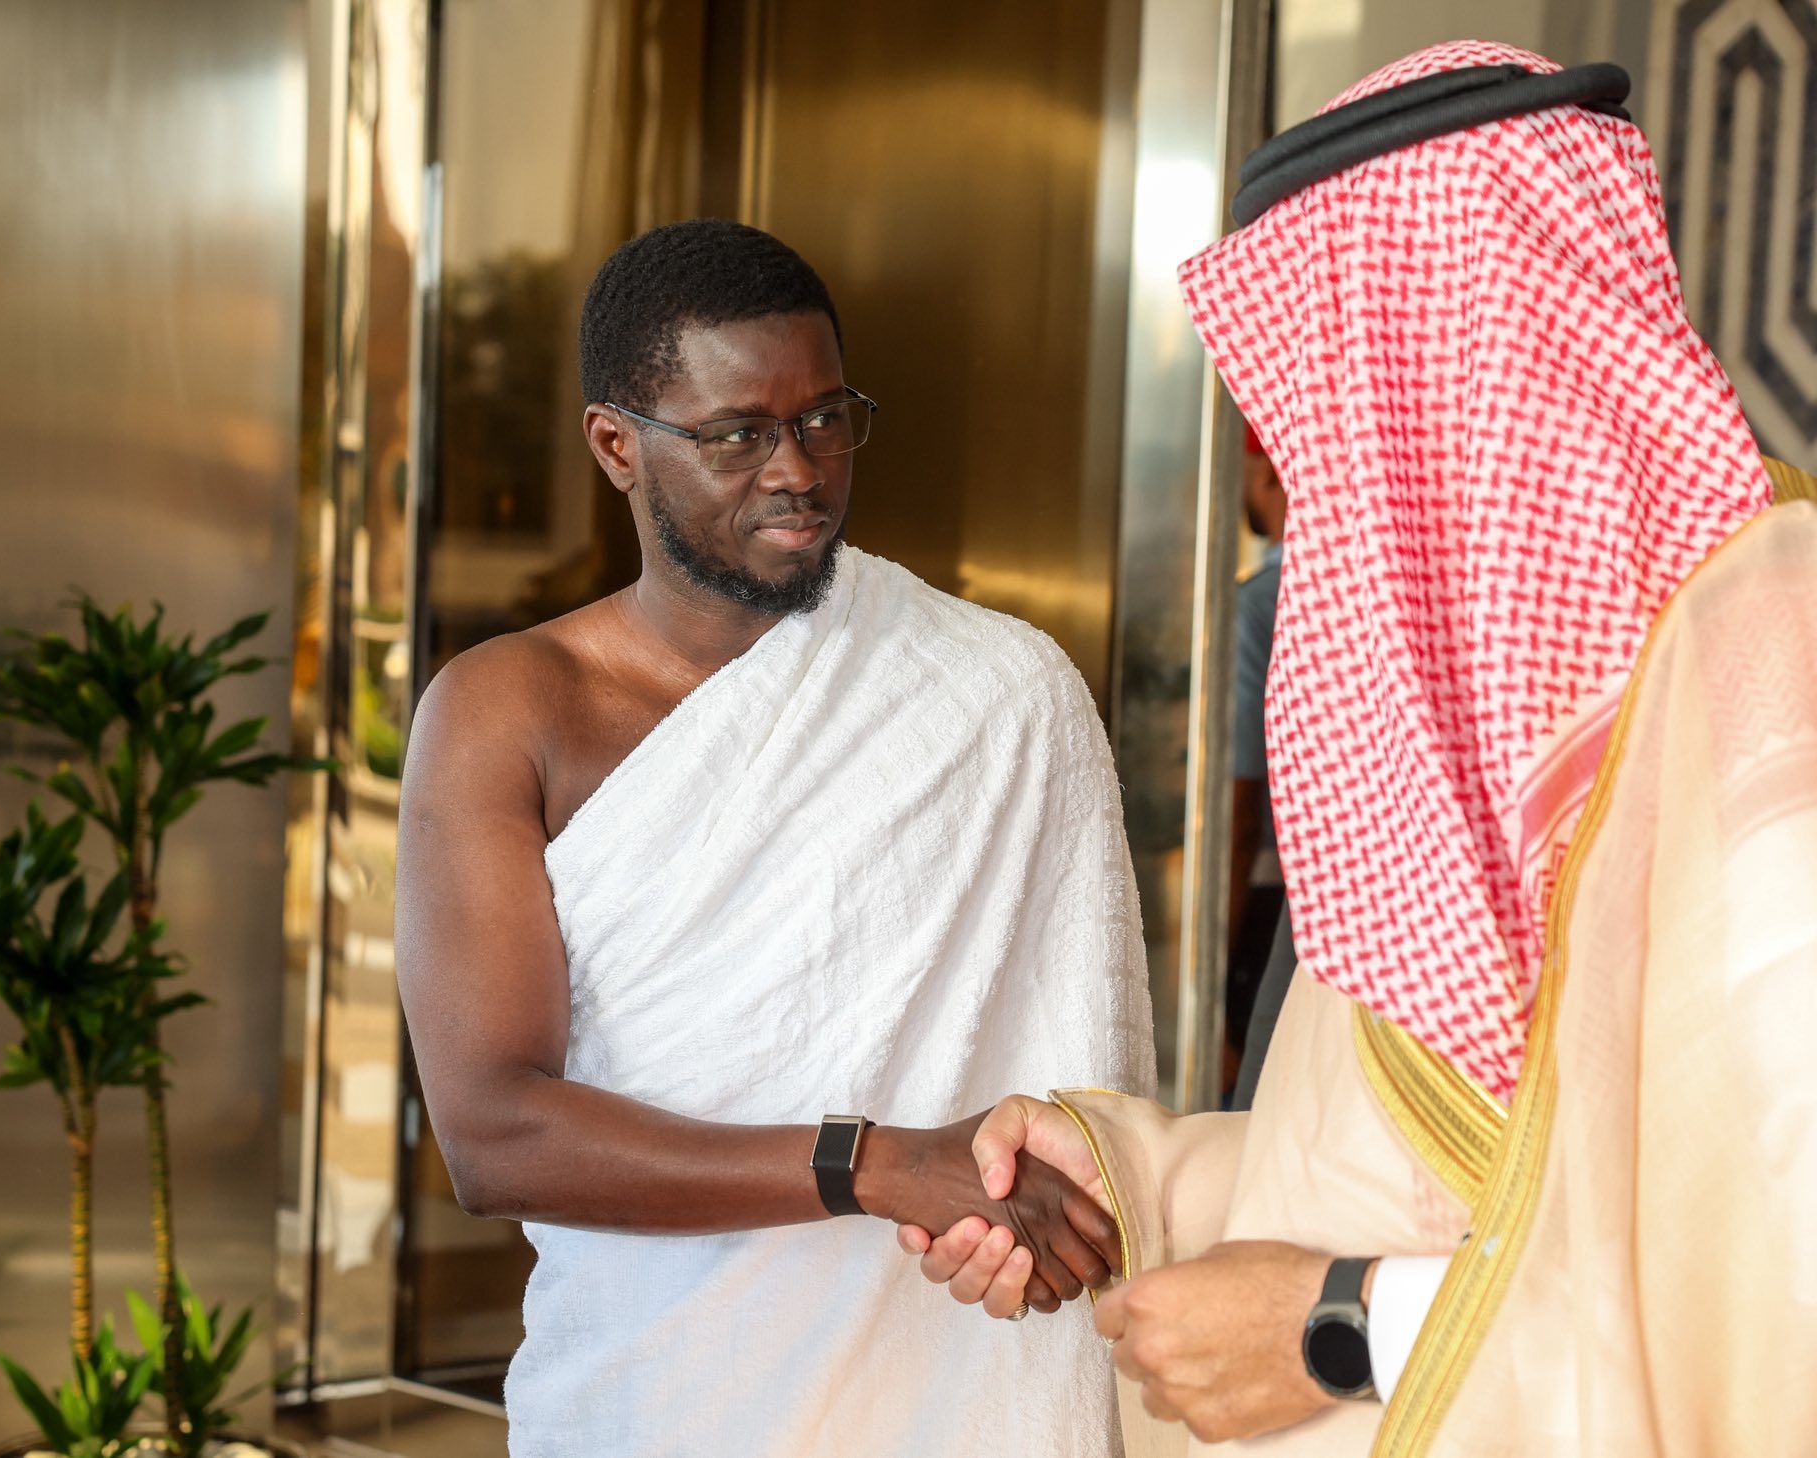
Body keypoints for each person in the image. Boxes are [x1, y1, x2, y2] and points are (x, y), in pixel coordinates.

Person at [907, 40, 1817, 1455]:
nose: (1306, 474)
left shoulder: (1764, 692)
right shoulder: (1430, 715)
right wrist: (1134, 1178)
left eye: (1329, 395)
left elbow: (1766, 1291)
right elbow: (1431, 1174)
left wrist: (1340, 1327)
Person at [394, 218, 1150, 1458]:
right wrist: (874, 1164)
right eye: (738, 434)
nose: (797, 470)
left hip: (951, 1392)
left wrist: (1053, 1211)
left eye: (823, 419)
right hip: (652, 1402)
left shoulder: (1004, 691)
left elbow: (1080, 1079)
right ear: (616, 446)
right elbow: (493, 1134)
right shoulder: (508, 711)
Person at [1224, 423, 1287, 1101]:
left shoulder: (1259, 606)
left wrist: (1212, 980)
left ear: (1267, 470)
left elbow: (1241, 806)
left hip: (1268, 911)